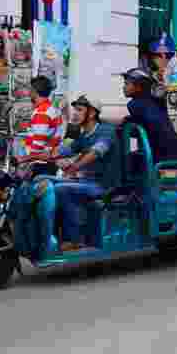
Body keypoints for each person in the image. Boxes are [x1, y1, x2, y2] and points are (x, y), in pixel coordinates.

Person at [48, 95, 123, 251]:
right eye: (75, 109)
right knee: (44, 181)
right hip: (87, 182)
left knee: (61, 189)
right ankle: (50, 234)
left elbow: (96, 152)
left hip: (104, 185)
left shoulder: (106, 131)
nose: (75, 113)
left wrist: (73, 167)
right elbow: (64, 151)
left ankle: (75, 239)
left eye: (80, 110)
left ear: (92, 113)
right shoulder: (82, 135)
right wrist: (35, 156)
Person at [121, 68, 177, 166]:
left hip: (163, 155)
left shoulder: (134, 104)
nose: (123, 87)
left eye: (126, 84)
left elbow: (141, 125)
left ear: (138, 87)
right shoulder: (155, 101)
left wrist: (125, 122)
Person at [15, 75, 63, 178]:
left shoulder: (42, 113)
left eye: (30, 89)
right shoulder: (51, 109)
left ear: (34, 91)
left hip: (40, 164)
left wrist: (24, 160)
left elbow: (37, 147)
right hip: (47, 161)